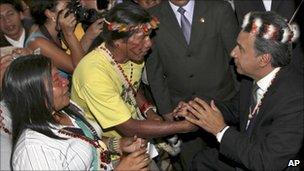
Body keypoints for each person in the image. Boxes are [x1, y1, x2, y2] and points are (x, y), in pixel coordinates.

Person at [179, 11, 303, 170]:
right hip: (249, 149)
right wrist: (199, 109)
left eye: (240, 48)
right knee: (202, 161)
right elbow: (237, 109)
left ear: (263, 59)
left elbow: (267, 162)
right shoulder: (251, 77)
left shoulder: (295, 100)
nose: (232, 53)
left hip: (271, 163)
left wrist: (220, 130)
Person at [71, 2, 196, 143]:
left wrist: (148, 110)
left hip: (135, 140)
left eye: (149, 36)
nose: (149, 44)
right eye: (142, 38)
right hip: (106, 148)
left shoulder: (131, 55)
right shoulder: (94, 75)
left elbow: (129, 86)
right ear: (118, 41)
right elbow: (129, 128)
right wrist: (183, 126)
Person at [2, 54, 151, 170]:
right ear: (35, 94)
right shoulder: (33, 151)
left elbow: (85, 138)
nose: (65, 81)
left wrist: (118, 144)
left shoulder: (65, 108)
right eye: (55, 80)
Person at [145, 0, 239, 169]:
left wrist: (243, 101)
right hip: (181, 111)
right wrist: (166, 111)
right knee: (193, 165)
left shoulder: (219, 8)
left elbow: (237, 59)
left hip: (223, 106)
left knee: (231, 163)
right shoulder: (151, 16)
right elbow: (154, 71)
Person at [25, 0, 85, 78]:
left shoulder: (59, 32)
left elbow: (78, 55)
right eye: (68, 7)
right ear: (50, 13)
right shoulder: (37, 43)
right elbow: (79, 68)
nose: (73, 11)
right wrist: (69, 34)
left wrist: (90, 35)